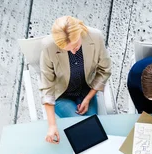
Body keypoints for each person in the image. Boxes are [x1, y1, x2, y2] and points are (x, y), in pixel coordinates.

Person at [40, 16, 112, 144]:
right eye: (67, 50)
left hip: (86, 89)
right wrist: (52, 126)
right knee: (84, 130)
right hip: (62, 95)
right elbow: (47, 87)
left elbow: (104, 70)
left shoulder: (95, 37)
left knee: (91, 129)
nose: (73, 52)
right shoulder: (48, 46)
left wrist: (88, 98)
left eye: (76, 46)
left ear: (80, 33)